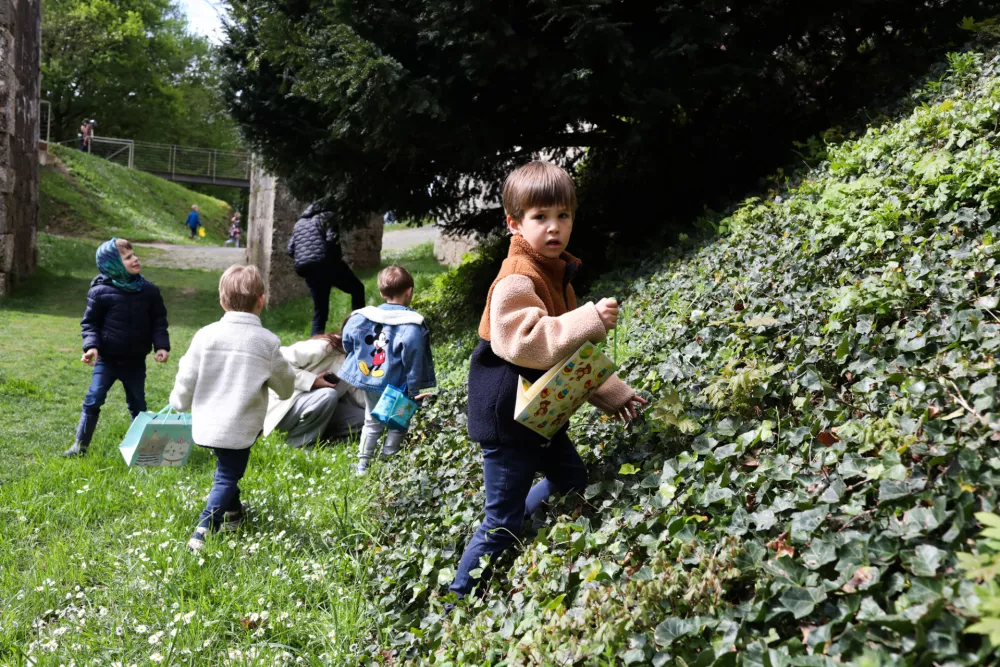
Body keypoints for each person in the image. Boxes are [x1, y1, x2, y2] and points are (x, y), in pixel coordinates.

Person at [449, 161, 647, 598]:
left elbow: (569, 356)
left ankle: (524, 534)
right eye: (540, 218)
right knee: (499, 520)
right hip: (509, 417)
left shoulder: (557, 273)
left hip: (542, 410)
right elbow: (525, 342)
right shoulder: (517, 277)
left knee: (570, 478)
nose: (553, 228)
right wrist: (588, 319)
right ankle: (457, 598)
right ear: (514, 224)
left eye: (563, 216)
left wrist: (614, 392)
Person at [169, 265, 296, 552]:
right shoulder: (266, 343)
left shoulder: (205, 335)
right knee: (227, 474)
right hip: (240, 427)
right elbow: (286, 385)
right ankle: (203, 529)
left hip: (207, 424)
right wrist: (283, 387)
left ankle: (234, 514)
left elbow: (187, 375)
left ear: (222, 300)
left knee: (227, 469)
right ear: (261, 300)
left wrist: (178, 402)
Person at [63, 238, 170, 457]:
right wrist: (91, 347)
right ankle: (80, 446)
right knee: (93, 399)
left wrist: (161, 346)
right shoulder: (100, 292)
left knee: (138, 404)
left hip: (135, 362)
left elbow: (159, 321)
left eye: (134, 254)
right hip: (108, 361)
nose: (135, 259)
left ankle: (142, 449)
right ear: (113, 265)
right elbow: (90, 323)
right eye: (128, 257)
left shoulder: (149, 291)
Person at [339, 265, 436, 475]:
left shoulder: (362, 316)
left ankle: (363, 466)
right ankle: (388, 464)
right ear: (409, 291)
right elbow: (413, 360)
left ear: (382, 293)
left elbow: (347, 338)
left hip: (371, 380)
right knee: (398, 423)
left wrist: (355, 357)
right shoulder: (412, 326)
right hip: (398, 385)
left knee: (371, 421)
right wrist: (413, 389)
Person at [263, 327, 366, 448]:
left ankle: (322, 437)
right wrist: (312, 381)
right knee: (327, 395)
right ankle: (299, 444)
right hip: (286, 404)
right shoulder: (324, 346)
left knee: (365, 420)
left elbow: (358, 395)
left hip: (320, 407)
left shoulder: (358, 361)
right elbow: (276, 363)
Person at [287, 203, 366, 335]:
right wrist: (337, 261)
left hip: (307, 270)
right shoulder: (329, 217)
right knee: (357, 289)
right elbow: (332, 241)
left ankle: (314, 348)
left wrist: (307, 259)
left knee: (320, 310)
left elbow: (290, 250)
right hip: (327, 264)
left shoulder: (299, 224)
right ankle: (358, 330)